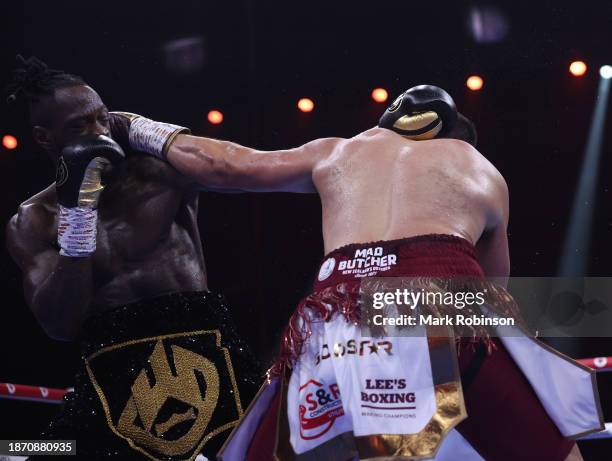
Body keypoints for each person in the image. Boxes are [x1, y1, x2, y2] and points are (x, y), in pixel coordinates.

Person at [110, 85, 602, 461]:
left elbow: (224, 166)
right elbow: (493, 292)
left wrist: (132, 125)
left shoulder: (339, 150)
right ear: (451, 134)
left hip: (338, 321)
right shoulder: (477, 165)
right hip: (443, 305)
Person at [5, 56, 261, 461]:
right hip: (112, 375)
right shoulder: (34, 219)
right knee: (29, 451)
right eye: (79, 126)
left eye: (103, 119)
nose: (98, 133)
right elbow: (59, 324)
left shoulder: (160, 171)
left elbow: (239, 170)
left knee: (299, 440)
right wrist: (78, 214)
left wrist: (149, 131)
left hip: (209, 350)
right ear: (43, 136)